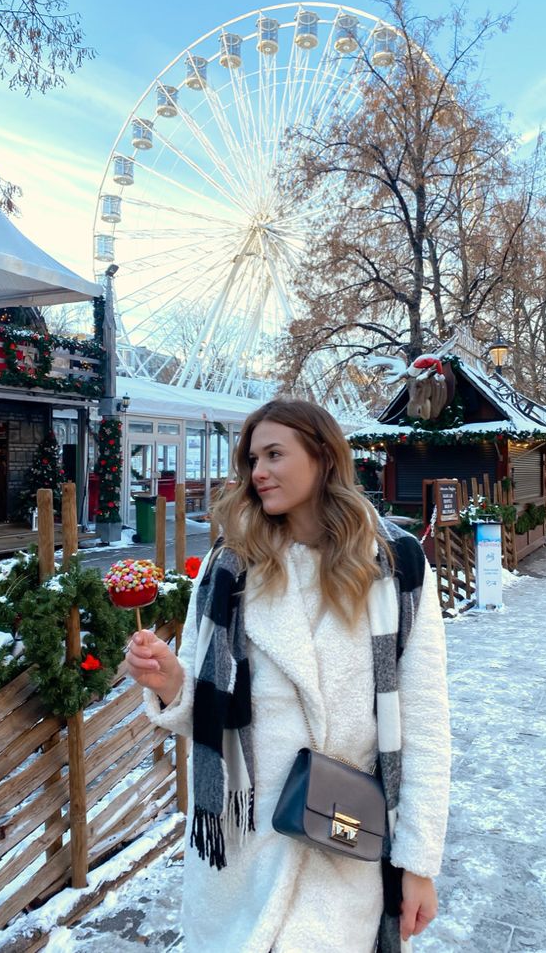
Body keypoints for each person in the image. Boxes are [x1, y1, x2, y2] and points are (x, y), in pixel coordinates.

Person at [125, 399, 451, 952]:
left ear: (323, 458)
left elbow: (423, 724)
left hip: (343, 836)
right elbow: (202, 707)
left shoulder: (396, 565)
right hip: (243, 845)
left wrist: (417, 863)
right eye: (253, 458)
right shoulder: (228, 566)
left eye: (275, 454)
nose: (258, 472)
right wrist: (169, 681)